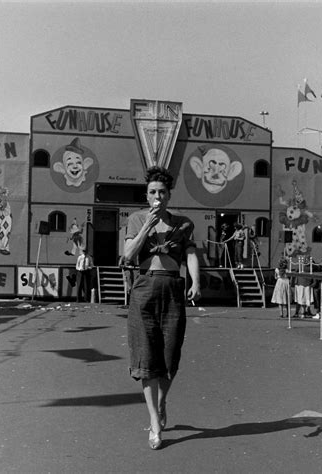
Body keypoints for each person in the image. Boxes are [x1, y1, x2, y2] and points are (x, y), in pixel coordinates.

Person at [124, 166, 200, 450]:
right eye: (152, 192)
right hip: (144, 288)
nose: (157, 196)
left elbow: (190, 253)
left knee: (169, 358)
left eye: (162, 192)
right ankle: (155, 423)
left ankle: (162, 400)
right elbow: (128, 255)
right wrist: (147, 225)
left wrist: (195, 281)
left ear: (169, 195)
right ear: (147, 195)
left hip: (172, 289)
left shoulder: (183, 223)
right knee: (146, 360)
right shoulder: (135, 219)